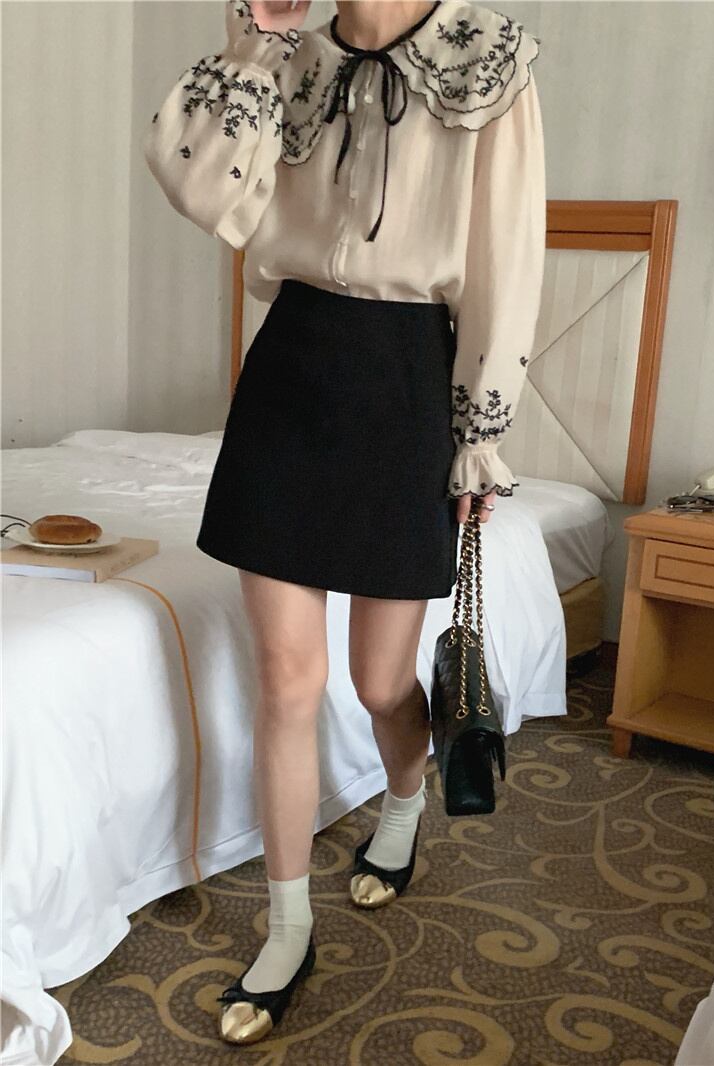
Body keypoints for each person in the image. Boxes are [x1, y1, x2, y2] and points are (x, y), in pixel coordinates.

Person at [142, 0, 545, 1044]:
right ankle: (288, 929)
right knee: (286, 681)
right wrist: (258, 43)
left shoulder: (486, 58)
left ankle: (402, 809)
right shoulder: (294, 54)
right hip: (290, 372)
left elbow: (506, 260)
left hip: (407, 380)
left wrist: (480, 432)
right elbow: (199, 185)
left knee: (377, 682)